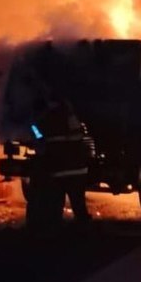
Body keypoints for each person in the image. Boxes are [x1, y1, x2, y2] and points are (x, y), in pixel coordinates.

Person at [26, 97, 92, 230]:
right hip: (78, 169)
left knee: (56, 205)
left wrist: (31, 124)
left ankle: (57, 232)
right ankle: (85, 231)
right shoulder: (70, 116)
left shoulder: (43, 121)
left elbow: (39, 143)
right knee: (79, 205)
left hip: (59, 170)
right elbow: (80, 134)